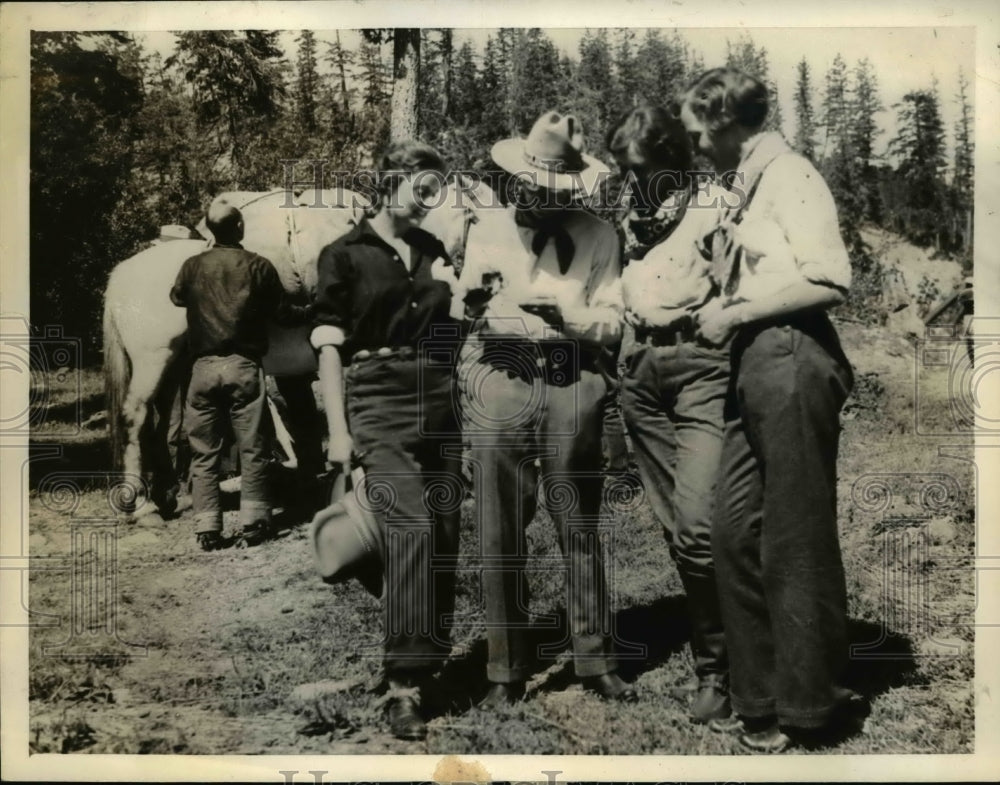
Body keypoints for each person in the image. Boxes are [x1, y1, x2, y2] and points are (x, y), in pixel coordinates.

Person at [680, 67, 865, 752]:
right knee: (732, 527)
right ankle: (758, 697)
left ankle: (807, 706)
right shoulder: (745, 189)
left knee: (793, 532)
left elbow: (829, 277)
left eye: (697, 127)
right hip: (753, 360)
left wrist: (733, 313)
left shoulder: (791, 176)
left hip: (791, 355)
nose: (694, 142)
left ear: (724, 118)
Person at [453, 111, 636, 706]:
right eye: (529, 188)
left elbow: (613, 324)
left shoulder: (602, 237)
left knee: (577, 516)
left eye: (551, 193)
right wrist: (468, 301)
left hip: (568, 369)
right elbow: (457, 303)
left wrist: (571, 319)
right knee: (497, 522)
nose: (535, 199)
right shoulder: (485, 224)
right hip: (499, 368)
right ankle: (506, 667)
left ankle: (594, 656)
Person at [310, 141, 463, 742]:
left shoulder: (432, 250)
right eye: (423, 184)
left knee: (443, 532)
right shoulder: (343, 255)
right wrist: (339, 432)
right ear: (391, 180)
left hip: (440, 398)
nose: (430, 198)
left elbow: (449, 330)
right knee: (410, 528)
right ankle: (403, 684)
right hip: (376, 396)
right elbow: (328, 349)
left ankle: (431, 655)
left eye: (437, 187)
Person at [606, 104, 732, 723]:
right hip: (640, 375)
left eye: (645, 170)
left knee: (699, 525)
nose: (635, 182)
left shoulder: (714, 204)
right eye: (628, 172)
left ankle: (725, 667)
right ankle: (717, 655)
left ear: (674, 159)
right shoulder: (630, 213)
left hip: (701, 366)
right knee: (672, 527)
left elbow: (741, 287)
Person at [170, 203, 308, 551]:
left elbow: (176, 297)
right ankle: (255, 523)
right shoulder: (258, 265)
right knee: (254, 447)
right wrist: (315, 309)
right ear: (240, 226)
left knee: (203, 452)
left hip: (201, 369)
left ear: (212, 230)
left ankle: (207, 528)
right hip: (243, 366)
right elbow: (284, 315)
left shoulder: (191, 265)